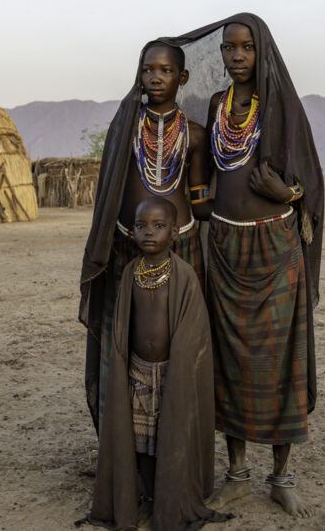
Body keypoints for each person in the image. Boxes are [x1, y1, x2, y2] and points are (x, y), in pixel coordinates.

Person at [199, 17, 324, 518]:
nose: (236, 56)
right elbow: (208, 173)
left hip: (276, 247)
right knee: (230, 361)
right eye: (229, 48)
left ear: (262, 51)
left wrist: (287, 194)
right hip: (225, 247)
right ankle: (236, 475)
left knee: (280, 364)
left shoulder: (284, 107)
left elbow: (310, 182)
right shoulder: (216, 106)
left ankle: (282, 476)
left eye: (246, 47)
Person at [79, 41, 211, 434]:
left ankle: (175, 444)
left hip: (183, 247)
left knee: (177, 341)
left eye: (165, 70)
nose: (155, 77)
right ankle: (124, 448)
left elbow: (200, 199)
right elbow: (110, 192)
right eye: (148, 70)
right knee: (125, 340)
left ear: (182, 77)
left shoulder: (196, 136)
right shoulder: (124, 129)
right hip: (127, 245)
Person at [82, 197, 228, 530]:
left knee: (169, 435)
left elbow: (193, 332)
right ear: (131, 232)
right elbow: (122, 326)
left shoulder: (185, 277)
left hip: (170, 373)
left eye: (159, 226)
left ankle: (170, 496)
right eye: (141, 226)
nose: (149, 233)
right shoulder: (132, 274)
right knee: (140, 440)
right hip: (136, 372)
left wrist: (179, 369)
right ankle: (148, 496)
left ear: (175, 233)